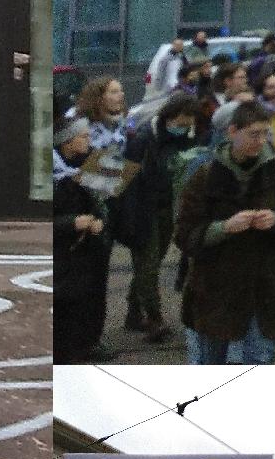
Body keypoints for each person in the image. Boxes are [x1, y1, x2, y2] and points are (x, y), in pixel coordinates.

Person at [174, 100, 275, 364]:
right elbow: (184, 233)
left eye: (265, 134)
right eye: (254, 134)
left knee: (258, 358)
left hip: (266, 282)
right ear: (232, 132)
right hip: (216, 287)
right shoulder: (205, 174)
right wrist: (223, 228)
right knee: (213, 363)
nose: (261, 141)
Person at [114, 93, 198, 343]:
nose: (185, 128)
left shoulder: (183, 140)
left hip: (165, 207)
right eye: (182, 123)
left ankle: (133, 311)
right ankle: (154, 318)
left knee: (150, 263)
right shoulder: (144, 138)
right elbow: (127, 178)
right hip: (142, 208)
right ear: (171, 116)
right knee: (148, 264)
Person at [53, 118, 112, 364]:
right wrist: (71, 223)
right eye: (84, 137)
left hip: (92, 248)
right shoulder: (54, 173)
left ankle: (88, 343)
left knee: (92, 300)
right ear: (67, 142)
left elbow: (109, 202)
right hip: (65, 253)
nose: (90, 141)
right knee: (67, 306)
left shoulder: (95, 162)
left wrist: (101, 222)